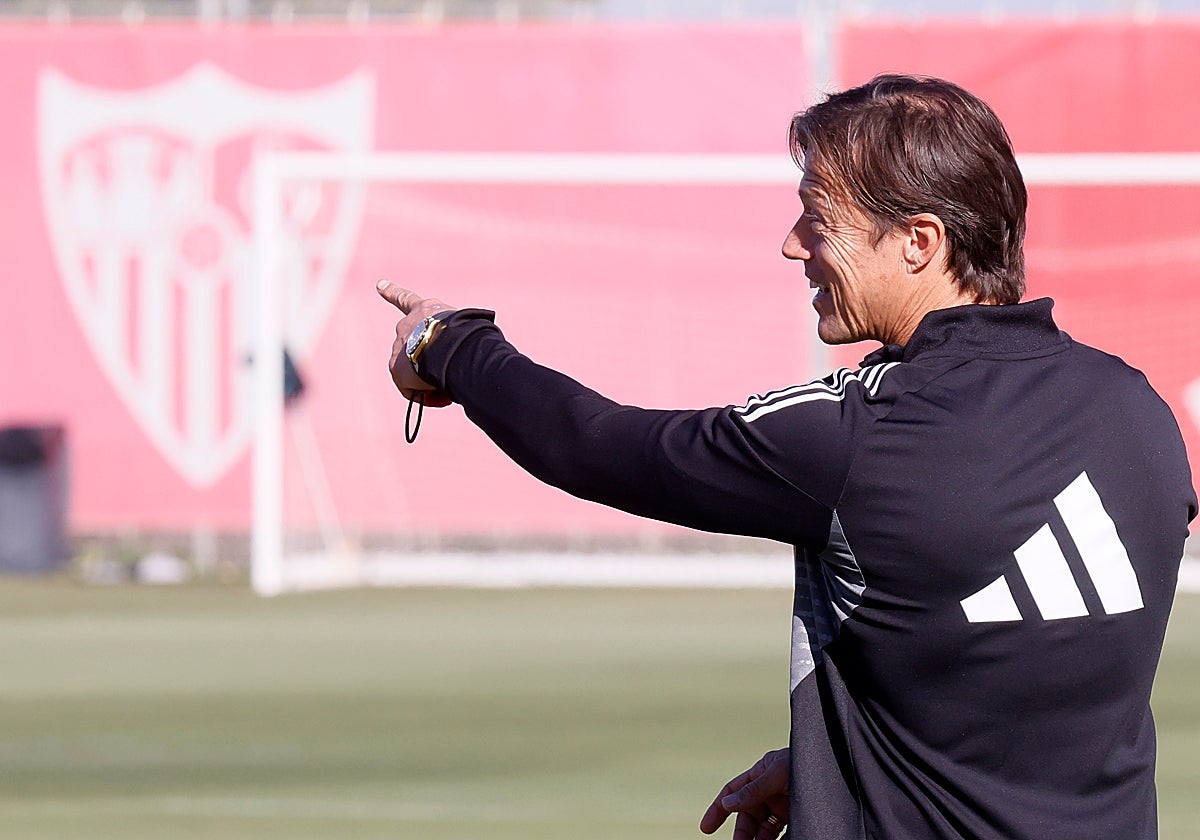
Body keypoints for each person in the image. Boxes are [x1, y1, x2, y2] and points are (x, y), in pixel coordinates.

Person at [376, 74, 1196, 839]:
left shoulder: (858, 435)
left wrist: (448, 343)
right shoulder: (1139, 413)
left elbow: (592, 445)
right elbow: (1021, 677)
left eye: (818, 217)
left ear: (919, 241)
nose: (792, 245)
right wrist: (837, 765)